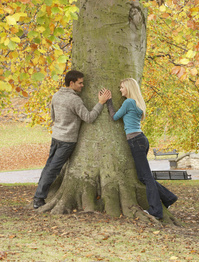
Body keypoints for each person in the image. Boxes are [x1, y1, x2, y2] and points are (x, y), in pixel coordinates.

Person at [33, 70, 110, 209]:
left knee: (49, 166)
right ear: (71, 83)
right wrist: (100, 102)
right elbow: (89, 118)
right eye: (80, 83)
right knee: (53, 169)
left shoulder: (56, 96)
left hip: (56, 136)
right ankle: (38, 198)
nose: (82, 85)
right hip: (67, 140)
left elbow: (53, 117)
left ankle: (38, 196)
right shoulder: (74, 99)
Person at [106, 78, 177, 219]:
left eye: (122, 87)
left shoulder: (128, 102)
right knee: (142, 176)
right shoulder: (137, 102)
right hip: (141, 139)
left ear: (128, 87)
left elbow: (114, 117)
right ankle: (168, 197)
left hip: (135, 141)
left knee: (146, 177)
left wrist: (109, 101)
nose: (120, 90)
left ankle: (156, 211)